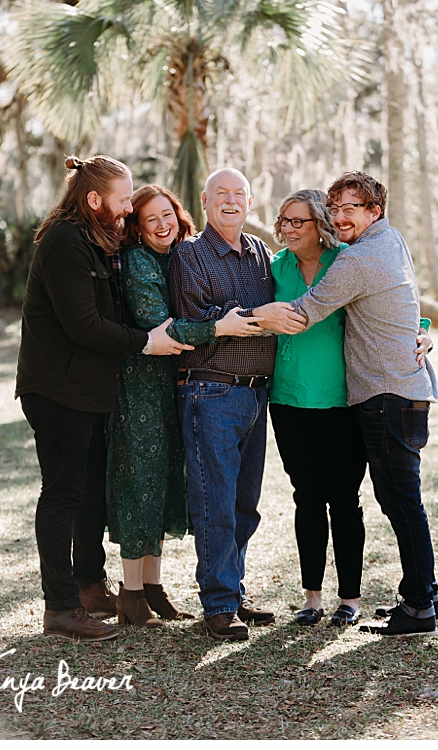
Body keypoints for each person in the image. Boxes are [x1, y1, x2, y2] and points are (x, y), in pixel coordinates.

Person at [255, 171, 438, 636]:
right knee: (404, 502)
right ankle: (424, 596)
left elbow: (305, 312)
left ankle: (419, 606)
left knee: (401, 503)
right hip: (403, 390)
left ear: (374, 212)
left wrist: (246, 320)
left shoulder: (355, 261)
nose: (340, 217)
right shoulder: (391, 240)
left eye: (351, 209)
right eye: (335, 208)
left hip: (385, 395)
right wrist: (419, 331)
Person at [17, 155, 192, 642]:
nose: (126, 210)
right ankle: (61, 607)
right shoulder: (64, 243)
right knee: (63, 493)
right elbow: (84, 325)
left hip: (90, 390)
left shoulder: (95, 239)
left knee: (91, 489)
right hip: (57, 388)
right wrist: (147, 342)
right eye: (121, 202)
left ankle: (90, 584)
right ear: (93, 200)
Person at [106, 183, 260, 628]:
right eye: (150, 218)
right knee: (142, 481)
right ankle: (131, 595)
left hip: (172, 383)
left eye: (167, 215)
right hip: (143, 387)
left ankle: (152, 588)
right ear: (136, 225)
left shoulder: (178, 256)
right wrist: (220, 327)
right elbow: (161, 326)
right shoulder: (138, 261)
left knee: (166, 481)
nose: (161, 224)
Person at [170, 167, 306, 641]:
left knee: (246, 504)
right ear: (205, 201)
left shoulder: (260, 254)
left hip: (255, 393)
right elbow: (193, 319)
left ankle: (233, 590)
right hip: (210, 391)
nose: (231, 201)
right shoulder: (189, 255)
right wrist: (255, 317)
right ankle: (218, 604)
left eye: (240, 194)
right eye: (222, 193)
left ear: (250, 202)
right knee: (215, 501)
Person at [266, 188, 371, 628]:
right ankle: (312, 598)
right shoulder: (275, 268)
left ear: (320, 225)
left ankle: (350, 598)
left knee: (344, 500)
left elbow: (392, 307)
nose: (288, 229)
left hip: (343, 400)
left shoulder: (347, 262)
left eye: (298, 222)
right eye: (284, 221)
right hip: (288, 399)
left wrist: (421, 333)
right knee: (306, 497)